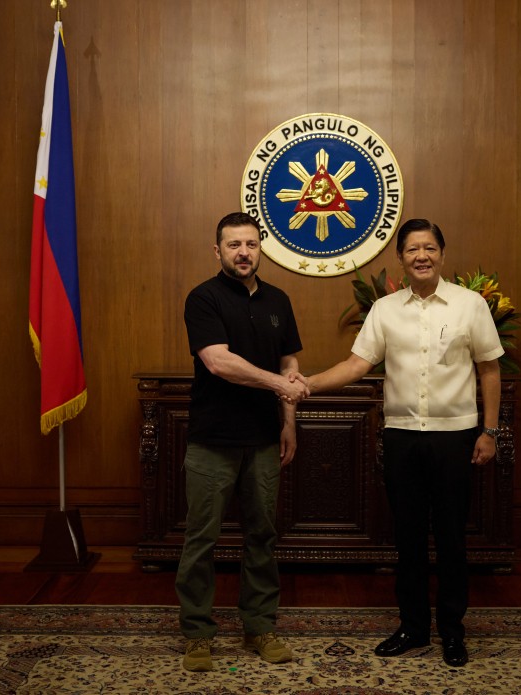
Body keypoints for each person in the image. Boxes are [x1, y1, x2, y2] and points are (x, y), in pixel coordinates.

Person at [294, 218, 503, 667]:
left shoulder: (470, 306)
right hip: (403, 438)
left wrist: (489, 430)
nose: (421, 256)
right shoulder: (386, 309)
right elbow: (355, 365)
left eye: (429, 248)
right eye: (412, 250)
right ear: (401, 259)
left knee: (451, 539)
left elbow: (489, 369)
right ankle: (412, 628)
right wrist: (305, 384)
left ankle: (452, 632)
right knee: (406, 539)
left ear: (442, 255)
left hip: (456, 438)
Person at [175, 211, 309, 672]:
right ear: (218, 251)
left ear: (261, 248)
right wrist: (278, 385)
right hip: (212, 440)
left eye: (251, 244)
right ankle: (197, 632)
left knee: (263, 536)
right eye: (233, 245)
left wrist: (288, 422)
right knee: (201, 538)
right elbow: (218, 362)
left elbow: (288, 363)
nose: (243, 253)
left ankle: (259, 626)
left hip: (264, 441)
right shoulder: (203, 298)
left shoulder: (279, 299)